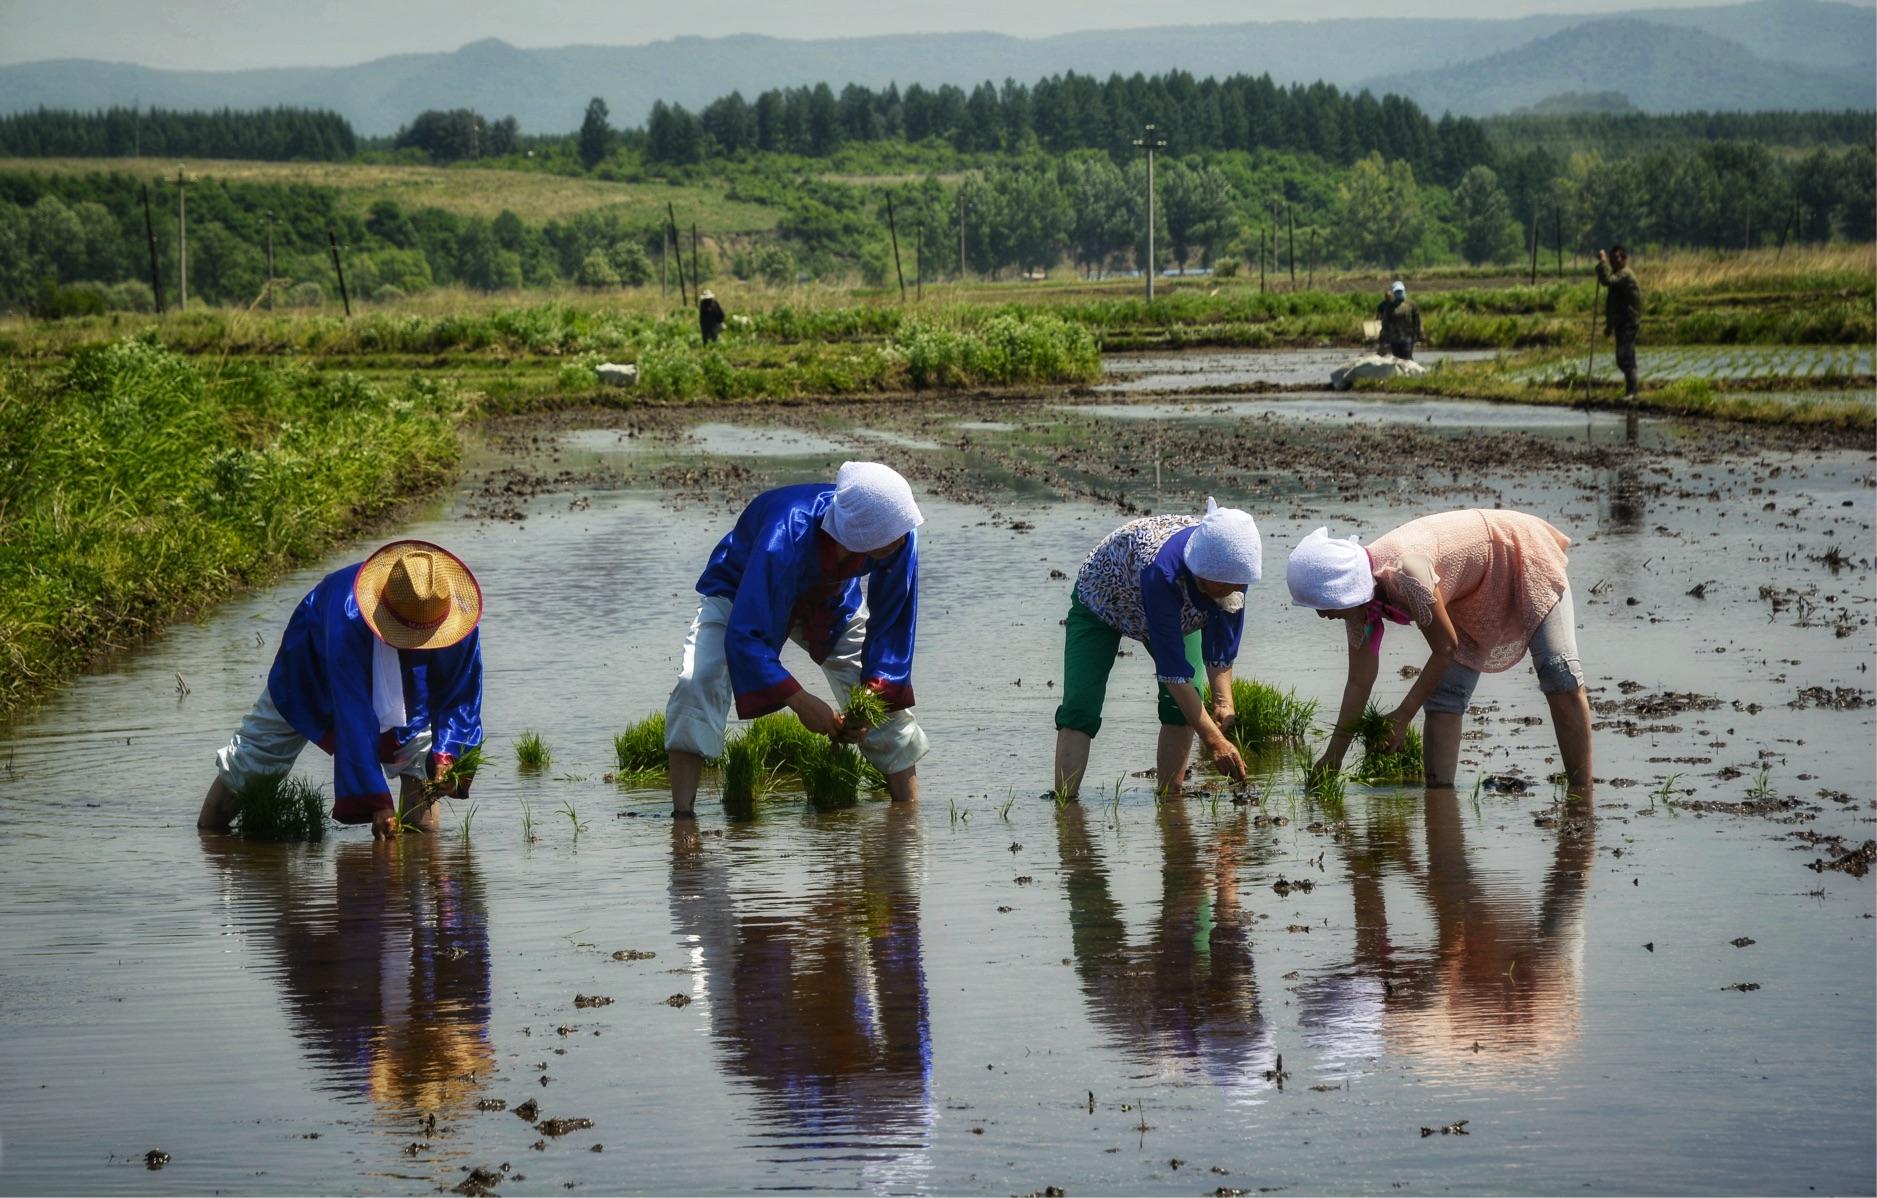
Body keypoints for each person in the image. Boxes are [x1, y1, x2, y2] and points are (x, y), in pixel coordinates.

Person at [664, 461, 928, 814]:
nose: (899, 541)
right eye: (887, 537)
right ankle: (683, 821)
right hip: (742, 592)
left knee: (886, 710)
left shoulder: (896, 532)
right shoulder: (785, 534)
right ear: (856, 530)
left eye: (899, 534)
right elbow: (748, 634)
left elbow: (894, 619)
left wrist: (872, 690)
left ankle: (906, 822)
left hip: (829, 600)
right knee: (697, 681)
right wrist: (801, 702)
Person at [1285, 510, 1592, 800]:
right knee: (1445, 695)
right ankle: (1440, 804)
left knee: (1559, 672)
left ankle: (1582, 796)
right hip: (1471, 589)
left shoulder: (1406, 573)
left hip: (1518, 553)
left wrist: (1403, 716)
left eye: (1323, 604)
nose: (1322, 615)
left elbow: (1446, 647)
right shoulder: (1359, 606)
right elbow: (1358, 682)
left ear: (1342, 589)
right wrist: (1333, 757)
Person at [197, 540, 484, 839]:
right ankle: (210, 840)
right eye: (411, 633)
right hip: (313, 671)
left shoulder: (453, 615)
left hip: (410, 675)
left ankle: (421, 852)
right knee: (256, 760)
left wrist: (447, 759)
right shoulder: (346, 615)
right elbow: (352, 711)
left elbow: (462, 696)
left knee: (419, 759)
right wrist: (377, 801)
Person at [1052, 499, 1262, 800]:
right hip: (1103, 600)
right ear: (1201, 572)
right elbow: (1174, 675)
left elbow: (1222, 648)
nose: (1234, 590)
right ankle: (1065, 809)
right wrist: (1215, 742)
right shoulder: (1163, 573)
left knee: (1183, 708)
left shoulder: (1232, 569)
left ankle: (1170, 805)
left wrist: (1223, 702)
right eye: (1225, 584)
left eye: (1239, 583)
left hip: (1176, 612)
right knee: (1080, 706)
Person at [1596, 246, 1642, 399]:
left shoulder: (1625, 274)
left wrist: (1602, 263)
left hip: (1628, 321)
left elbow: (1607, 280)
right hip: (1621, 322)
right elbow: (1612, 305)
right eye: (1611, 259)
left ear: (1624, 259)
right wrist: (1610, 325)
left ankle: (1633, 392)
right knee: (1623, 358)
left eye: (1617, 259)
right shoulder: (1617, 274)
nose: (1614, 262)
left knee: (1626, 357)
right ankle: (1631, 391)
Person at [1376, 281, 1422, 360]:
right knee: (1397, 360)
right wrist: (1382, 338)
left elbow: (1417, 322)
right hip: (1394, 339)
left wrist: (1419, 335)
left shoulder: (1412, 305)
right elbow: (1385, 324)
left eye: (1400, 291)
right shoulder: (1389, 307)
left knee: (1407, 359)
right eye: (1397, 292)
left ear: (1404, 291)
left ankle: (1408, 372)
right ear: (1394, 293)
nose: (1399, 293)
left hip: (1407, 338)